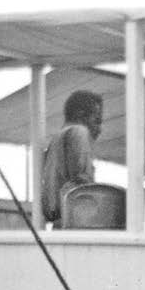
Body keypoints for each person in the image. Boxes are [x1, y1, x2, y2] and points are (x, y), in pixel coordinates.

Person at [41, 90, 104, 227]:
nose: (100, 129)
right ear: (81, 115)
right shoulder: (79, 132)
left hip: (58, 224)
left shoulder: (56, 139)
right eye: (97, 121)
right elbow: (84, 187)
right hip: (74, 224)